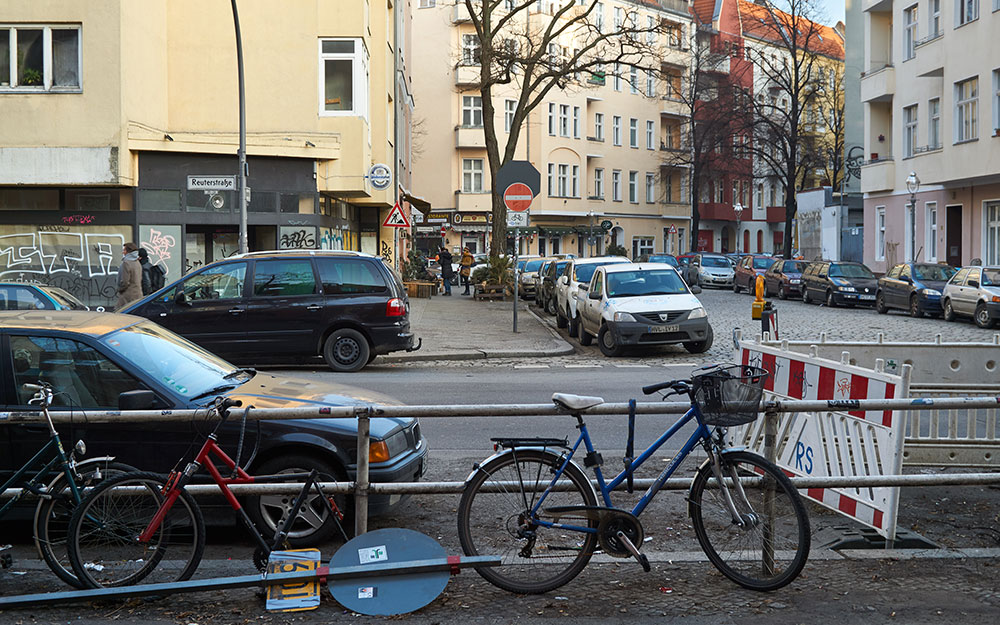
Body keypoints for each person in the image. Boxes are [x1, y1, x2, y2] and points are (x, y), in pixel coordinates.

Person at [116, 242, 143, 309]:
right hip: (138, 294)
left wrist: (120, 289)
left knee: (121, 315)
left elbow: (125, 281)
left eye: (124, 250)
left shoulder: (126, 263)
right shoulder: (137, 262)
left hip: (127, 296)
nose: (123, 252)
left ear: (128, 252)